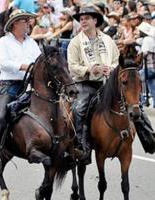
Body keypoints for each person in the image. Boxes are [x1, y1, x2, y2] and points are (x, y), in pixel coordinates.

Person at [0, 9, 41, 174]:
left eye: (28, 20)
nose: (28, 23)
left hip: (31, 84)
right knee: (1, 115)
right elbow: (3, 63)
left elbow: (40, 61)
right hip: (10, 85)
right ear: (15, 24)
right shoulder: (4, 42)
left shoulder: (31, 42)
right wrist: (26, 66)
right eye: (24, 20)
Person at [67, 6, 120, 161]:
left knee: (131, 101)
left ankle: (146, 135)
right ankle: (80, 145)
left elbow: (116, 61)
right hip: (85, 84)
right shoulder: (75, 43)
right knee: (79, 109)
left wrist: (111, 69)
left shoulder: (108, 40)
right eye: (81, 19)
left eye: (86, 18)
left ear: (95, 21)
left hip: (107, 83)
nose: (83, 21)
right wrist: (91, 69)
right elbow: (73, 67)